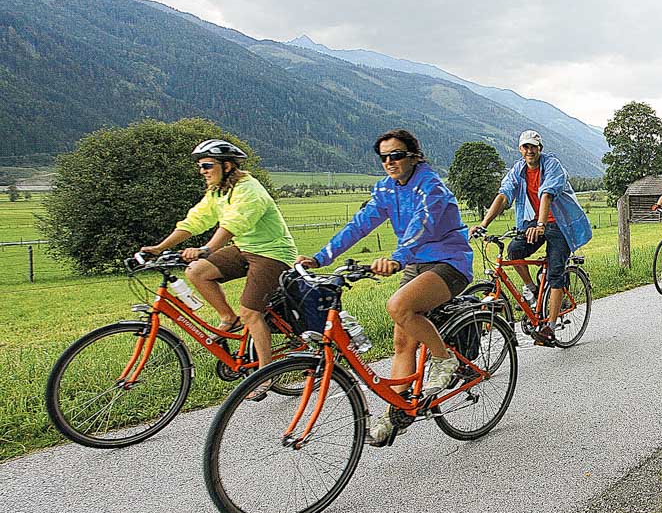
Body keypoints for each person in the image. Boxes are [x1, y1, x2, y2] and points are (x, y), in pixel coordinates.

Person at [300, 129, 474, 446]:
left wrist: (396, 258)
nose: (389, 162)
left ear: (413, 156)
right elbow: (360, 223)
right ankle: (398, 410)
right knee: (401, 342)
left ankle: (444, 357)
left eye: (396, 155)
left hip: (450, 262)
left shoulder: (430, 186)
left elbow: (423, 225)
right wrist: (320, 257)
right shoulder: (387, 189)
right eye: (384, 157)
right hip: (415, 263)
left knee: (398, 306)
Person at [142, 139, 298, 400]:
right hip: (244, 248)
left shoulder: (249, 190)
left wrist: (208, 248)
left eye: (206, 165)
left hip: (272, 253)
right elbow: (195, 219)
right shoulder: (218, 191)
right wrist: (159, 248)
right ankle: (229, 317)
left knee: (251, 312)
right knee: (196, 272)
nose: (202, 170)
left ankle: (266, 373)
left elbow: (233, 223)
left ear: (227, 166)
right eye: (200, 166)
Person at [471, 130, 592, 346]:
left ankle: (550, 328)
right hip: (536, 222)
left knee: (555, 271)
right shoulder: (518, 169)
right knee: (514, 251)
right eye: (525, 147)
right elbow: (503, 194)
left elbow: (546, 193)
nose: (529, 150)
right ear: (520, 149)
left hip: (559, 224)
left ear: (540, 149)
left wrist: (541, 225)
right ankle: (533, 290)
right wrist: (483, 225)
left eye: (533, 146)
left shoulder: (552, 165)